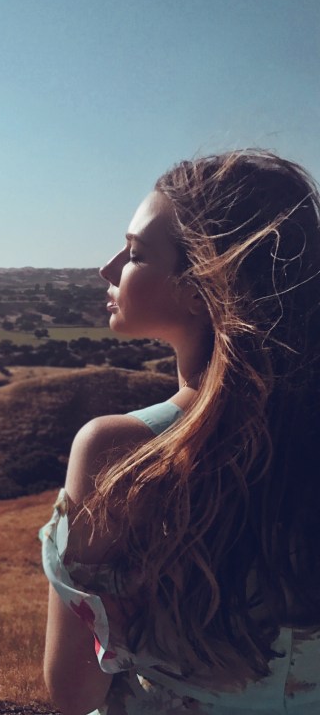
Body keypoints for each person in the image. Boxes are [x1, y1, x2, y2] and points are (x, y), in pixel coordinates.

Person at [41, 149, 320, 714]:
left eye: (137, 253)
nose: (108, 268)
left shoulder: (117, 452)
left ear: (201, 288)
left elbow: (73, 691)